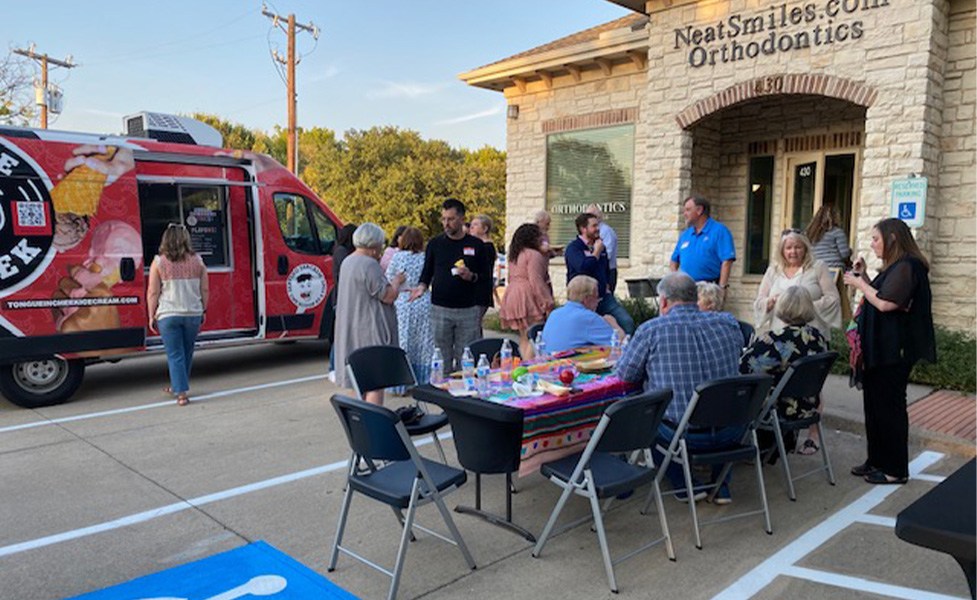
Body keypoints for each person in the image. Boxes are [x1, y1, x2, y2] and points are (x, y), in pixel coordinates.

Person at [614, 272, 743, 504]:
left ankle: (685, 484)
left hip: (684, 436)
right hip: (733, 431)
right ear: (695, 297)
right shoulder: (729, 323)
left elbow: (626, 375)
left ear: (663, 301)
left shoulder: (651, 330)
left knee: (647, 419)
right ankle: (721, 485)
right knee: (717, 405)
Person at [843, 218, 935, 485]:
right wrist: (866, 278)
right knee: (874, 407)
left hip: (894, 351)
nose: (872, 245)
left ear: (892, 238)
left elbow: (886, 304)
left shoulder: (909, 266)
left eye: (875, 239)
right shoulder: (895, 267)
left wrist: (860, 285)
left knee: (890, 409)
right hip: (879, 349)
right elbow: (882, 293)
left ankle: (895, 469)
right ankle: (877, 460)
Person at [740, 286, 830, 455]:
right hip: (808, 405)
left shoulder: (775, 339)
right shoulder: (818, 337)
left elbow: (743, 367)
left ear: (781, 307)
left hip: (780, 408)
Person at [409, 198, 493, 372]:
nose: (446, 223)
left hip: (468, 309)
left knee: (467, 358)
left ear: (462, 219)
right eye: (444, 219)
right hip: (440, 308)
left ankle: (465, 395)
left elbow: (485, 277)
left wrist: (471, 276)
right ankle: (443, 395)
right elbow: (427, 271)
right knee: (441, 358)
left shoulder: (476, 245)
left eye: (451, 219)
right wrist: (422, 287)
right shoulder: (435, 243)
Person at [335, 223, 406, 405]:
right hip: (370, 330)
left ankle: (364, 421)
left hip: (353, 327)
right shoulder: (369, 265)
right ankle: (374, 422)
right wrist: (397, 282)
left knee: (361, 382)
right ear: (374, 244)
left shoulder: (348, 261)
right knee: (375, 382)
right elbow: (387, 296)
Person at [147, 224, 209, 407]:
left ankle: (181, 393)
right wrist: (204, 309)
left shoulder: (158, 262)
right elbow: (204, 288)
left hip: (168, 314)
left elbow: (152, 291)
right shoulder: (198, 261)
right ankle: (177, 385)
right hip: (192, 313)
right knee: (187, 351)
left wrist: (151, 315)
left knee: (175, 354)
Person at [753, 230, 841, 339]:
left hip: (811, 336)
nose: (793, 252)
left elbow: (833, 299)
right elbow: (759, 302)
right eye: (788, 248)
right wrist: (771, 301)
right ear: (782, 251)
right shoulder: (773, 270)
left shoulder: (818, 267)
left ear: (805, 249)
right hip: (779, 335)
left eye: (798, 247)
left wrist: (805, 307)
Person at [565, 212, 635, 334]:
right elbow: (584, 268)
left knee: (626, 322)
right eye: (594, 226)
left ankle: (625, 351)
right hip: (582, 300)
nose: (598, 229)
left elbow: (606, 268)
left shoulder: (600, 246)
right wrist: (596, 252)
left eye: (598, 225)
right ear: (583, 229)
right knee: (587, 330)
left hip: (603, 297)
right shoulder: (574, 248)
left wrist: (606, 285)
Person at [386, 227, 434, 389]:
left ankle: (401, 383)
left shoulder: (398, 257)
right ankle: (423, 380)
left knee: (403, 340)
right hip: (423, 299)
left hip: (403, 300)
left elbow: (389, 278)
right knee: (424, 342)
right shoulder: (425, 257)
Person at [498, 223, 555, 357]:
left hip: (512, 293)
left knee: (523, 336)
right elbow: (536, 281)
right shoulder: (534, 255)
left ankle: (522, 364)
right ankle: (529, 365)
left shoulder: (515, 255)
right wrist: (547, 302)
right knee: (534, 334)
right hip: (526, 295)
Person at [670, 196, 736, 294]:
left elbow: (726, 262)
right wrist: (676, 282)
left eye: (688, 210)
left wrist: (722, 289)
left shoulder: (719, 231)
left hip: (708, 289)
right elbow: (674, 261)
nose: (684, 214)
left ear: (699, 210)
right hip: (686, 289)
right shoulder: (686, 234)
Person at [542, 275, 622, 353]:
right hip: (572, 364)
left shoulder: (554, 314)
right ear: (587, 299)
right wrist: (613, 323)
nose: (598, 302)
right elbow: (621, 345)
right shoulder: (589, 318)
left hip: (548, 363)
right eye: (596, 297)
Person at [806, 204, 853, 321]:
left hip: (815, 269)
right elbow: (844, 254)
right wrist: (850, 251)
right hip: (834, 270)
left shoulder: (810, 233)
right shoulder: (837, 232)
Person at [328, 223, 358, 377]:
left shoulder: (339, 250)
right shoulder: (342, 252)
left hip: (341, 297)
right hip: (341, 299)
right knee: (341, 334)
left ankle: (337, 366)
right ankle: (333, 366)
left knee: (342, 334)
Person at [468, 214, 498, 326]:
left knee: (474, 325)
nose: (472, 227)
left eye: (475, 225)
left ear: (484, 229)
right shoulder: (477, 246)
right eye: (471, 225)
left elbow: (483, 270)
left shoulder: (487, 248)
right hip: (474, 291)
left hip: (480, 292)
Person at [586, 204, 619, 293]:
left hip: (606, 271)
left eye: (590, 216)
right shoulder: (589, 232)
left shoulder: (606, 231)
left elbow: (607, 254)